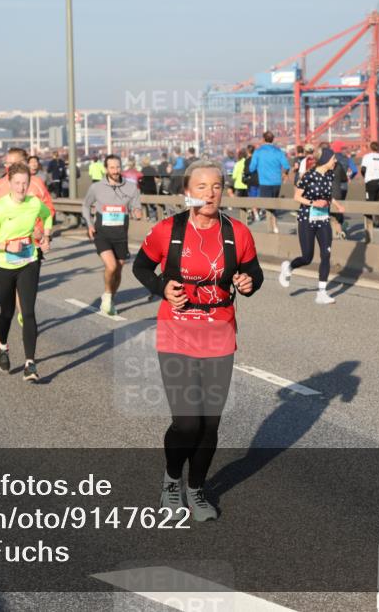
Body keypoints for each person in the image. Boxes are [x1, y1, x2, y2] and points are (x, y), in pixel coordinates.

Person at [132, 160, 263, 522]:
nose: (210, 193)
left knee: (210, 424)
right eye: (202, 187)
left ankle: (197, 488)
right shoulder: (168, 230)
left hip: (219, 333)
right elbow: (141, 266)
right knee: (187, 422)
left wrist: (249, 283)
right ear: (187, 192)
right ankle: (172, 480)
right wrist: (162, 286)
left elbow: (253, 272)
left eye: (217, 186)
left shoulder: (237, 232)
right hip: (176, 331)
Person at [0, 162, 53, 383]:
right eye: (17, 183)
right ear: (9, 183)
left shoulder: (34, 203)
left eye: (25, 183)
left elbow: (47, 215)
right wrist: (5, 246)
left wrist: (45, 237)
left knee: (28, 312)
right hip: (2, 267)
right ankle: (2, 345)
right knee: (7, 313)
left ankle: (30, 363)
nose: (21, 188)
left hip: (29, 262)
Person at [278, 147, 344, 304]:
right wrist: (314, 202)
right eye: (333, 158)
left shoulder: (329, 175)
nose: (335, 161)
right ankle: (289, 267)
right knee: (307, 257)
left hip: (323, 220)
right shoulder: (309, 176)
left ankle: (322, 293)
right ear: (325, 160)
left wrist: (336, 204)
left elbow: (327, 194)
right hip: (307, 219)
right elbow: (297, 197)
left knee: (326, 254)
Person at [82, 154, 143, 316]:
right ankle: (108, 298)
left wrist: (137, 211)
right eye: (112, 168)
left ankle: (110, 297)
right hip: (102, 233)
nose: (115, 171)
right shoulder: (97, 187)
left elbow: (137, 206)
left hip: (121, 235)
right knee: (112, 266)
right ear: (106, 169)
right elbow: (86, 206)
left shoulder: (131, 187)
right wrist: (89, 224)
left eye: (118, 167)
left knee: (119, 269)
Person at [248, 131, 291, 234]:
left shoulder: (258, 152)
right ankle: (275, 225)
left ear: (263, 139)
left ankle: (271, 229)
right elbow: (286, 166)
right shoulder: (278, 151)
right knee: (274, 203)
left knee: (267, 205)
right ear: (273, 139)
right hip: (276, 182)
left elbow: (251, 168)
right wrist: (284, 174)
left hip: (264, 182)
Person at [359, 141, 379, 227]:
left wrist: (364, 177)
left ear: (370, 148)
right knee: (376, 201)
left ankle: (370, 222)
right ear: (378, 148)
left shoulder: (367, 157)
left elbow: (363, 169)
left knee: (369, 201)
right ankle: (377, 220)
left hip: (370, 182)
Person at [139, 156, 160, 221]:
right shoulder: (152, 169)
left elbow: (140, 179)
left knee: (146, 203)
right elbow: (157, 176)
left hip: (145, 188)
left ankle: (147, 217)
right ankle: (156, 216)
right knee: (154, 203)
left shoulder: (143, 170)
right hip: (152, 187)